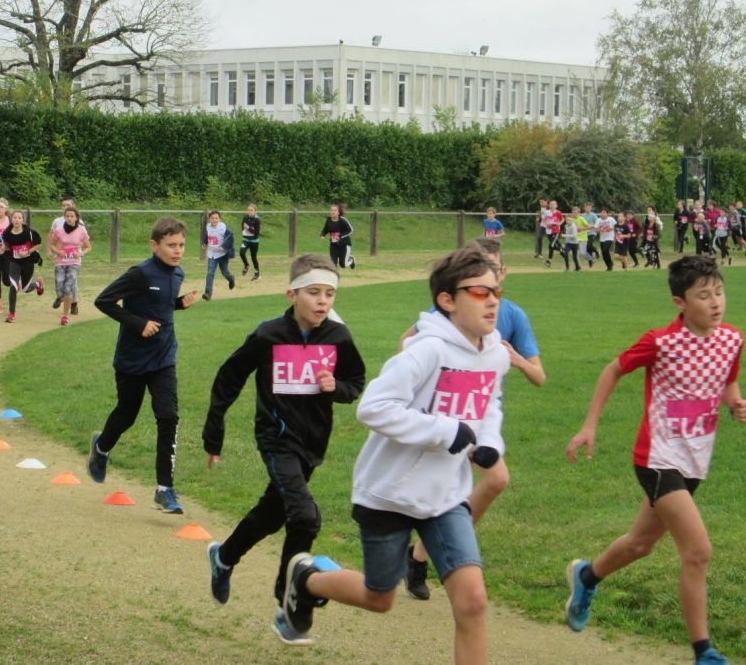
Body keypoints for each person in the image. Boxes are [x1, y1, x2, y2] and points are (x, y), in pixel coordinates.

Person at [279, 244, 510, 662]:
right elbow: (373, 408)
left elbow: (488, 404)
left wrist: (490, 442)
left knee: (473, 601)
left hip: (445, 496)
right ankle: (307, 578)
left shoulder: (495, 354)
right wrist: (445, 430)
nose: (492, 300)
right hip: (389, 495)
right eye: (479, 292)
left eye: (495, 292)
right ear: (447, 300)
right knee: (379, 596)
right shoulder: (427, 350)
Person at [564, 255, 744, 665]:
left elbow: (728, 380)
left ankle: (587, 576)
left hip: (695, 459)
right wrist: (589, 426)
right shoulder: (661, 342)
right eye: (703, 295)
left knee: (641, 544)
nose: (715, 302)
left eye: (719, 292)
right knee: (697, 550)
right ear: (680, 302)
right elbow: (613, 370)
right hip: (658, 458)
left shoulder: (732, 339)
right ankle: (705, 652)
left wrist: (734, 403)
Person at [201, 254, 366, 645]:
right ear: (292, 293)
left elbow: (355, 381)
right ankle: (287, 607)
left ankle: (223, 557)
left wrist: (336, 388)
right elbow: (228, 377)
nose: (322, 301)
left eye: (329, 293)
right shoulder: (268, 335)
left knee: (273, 514)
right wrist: (214, 433)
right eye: (313, 293)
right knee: (305, 518)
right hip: (276, 439)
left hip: (312, 443)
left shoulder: (338, 337)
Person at [399, 237, 544, 601]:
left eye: (492, 276)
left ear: (502, 273)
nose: (487, 290)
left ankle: (419, 555)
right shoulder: (449, 313)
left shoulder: (512, 315)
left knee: (494, 481)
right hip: (439, 416)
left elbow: (539, 376)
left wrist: (515, 358)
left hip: (480, 417)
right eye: (478, 281)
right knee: (444, 488)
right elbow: (405, 344)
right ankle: (421, 553)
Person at [87, 216, 198, 514]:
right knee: (127, 414)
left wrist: (178, 304)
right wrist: (138, 324)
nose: (177, 251)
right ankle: (101, 447)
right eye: (171, 245)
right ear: (154, 245)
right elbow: (104, 301)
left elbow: (161, 305)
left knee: (168, 416)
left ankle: (165, 489)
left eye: (182, 245)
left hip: (164, 358)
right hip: (132, 359)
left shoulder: (177, 273)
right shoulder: (140, 274)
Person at [0, 209, 44, 324]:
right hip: (14, 262)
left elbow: (38, 244)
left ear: (22, 220)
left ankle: (38, 284)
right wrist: (3, 248)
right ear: (11, 219)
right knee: (13, 285)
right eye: (15, 217)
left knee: (25, 288)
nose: (17, 220)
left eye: (19, 218)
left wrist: (28, 252)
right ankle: (11, 314)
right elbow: (7, 244)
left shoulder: (29, 232)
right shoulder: (7, 232)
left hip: (28, 262)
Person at [48, 206, 91, 326]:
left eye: (72, 216)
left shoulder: (81, 230)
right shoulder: (59, 230)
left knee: (68, 287)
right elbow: (52, 245)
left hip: (74, 263)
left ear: (76, 218)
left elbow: (88, 247)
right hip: (61, 261)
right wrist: (58, 252)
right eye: (67, 216)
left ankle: (65, 316)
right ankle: (60, 298)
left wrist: (80, 253)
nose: (69, 218)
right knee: (59, 286)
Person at [49, 197, 83, 315]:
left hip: (73, 258)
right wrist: (50, 251)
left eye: (68, 205)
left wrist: (77, 252)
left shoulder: (79, 223)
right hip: (60, 257)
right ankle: (61, 297)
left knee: (72, 282)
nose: (65, 207)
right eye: (63, 205)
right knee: (60, 281)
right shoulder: (57, 222)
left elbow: (83, 239)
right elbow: (52, 237)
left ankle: (74, 304)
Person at [201, 209, 236, 301]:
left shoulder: (223, 228)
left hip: (222, 255)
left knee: (225, 272)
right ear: (209, 219)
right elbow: (206, 235)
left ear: (219, 219)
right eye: (212, 218)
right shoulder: (208, 226)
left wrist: (224, 246)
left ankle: (231, 278)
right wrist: (204, 243)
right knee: (210, 273)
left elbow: (231, 237)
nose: (214, 220)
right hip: (212, 254)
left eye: (216, 218)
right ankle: (208, 293)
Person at [319, 203, 353, 271]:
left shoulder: (342, 220)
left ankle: (351, 260)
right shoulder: (328, 220)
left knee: (343, 265)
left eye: (335, 210)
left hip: (344, 244)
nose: (333, 212)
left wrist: (340, 236)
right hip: (333, 245)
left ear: (338, 212)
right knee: (333, 263)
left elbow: (350, 230)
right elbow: (325, 229)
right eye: (331, 210)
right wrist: (322, 235)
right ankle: (335, 276)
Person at [239, 203, 262, 281]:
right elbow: (242, 226)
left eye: (251, 210)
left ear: (255, 211)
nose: (250, 211)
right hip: (246, 240)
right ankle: (246, 265)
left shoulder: (257, 220)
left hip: (254, 241)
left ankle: (257, 274)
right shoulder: (245, 217)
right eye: (248, 210)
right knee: (241, 252)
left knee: (253, 257)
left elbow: (256, 232)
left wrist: (248, 228)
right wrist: (243, 231)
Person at [542, 200, 564, 268]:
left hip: (556, 231)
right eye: (551, 204)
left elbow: (563, 219)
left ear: (556, 206)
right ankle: (562, 251)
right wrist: (546, 223)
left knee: (551, 245)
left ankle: (549, 260)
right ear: (549, 205)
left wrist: (559, 224)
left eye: (553, 204)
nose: (552, 205)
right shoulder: (546, 212)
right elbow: (543, 219)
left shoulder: (558, 213)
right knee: (552, 246)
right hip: (548, 231)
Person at [582, 202, 600, 267]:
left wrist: (591, 225)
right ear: (584, 208)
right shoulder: (583, 215)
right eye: (586, 207)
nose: (588, 209)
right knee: (587, 248)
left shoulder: (593, 215)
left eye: (589, 208)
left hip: (592, 233)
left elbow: (597, 223)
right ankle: (590, 261)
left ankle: (596, 251)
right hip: (584, 234)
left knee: (589, 245)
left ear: (591, 208)